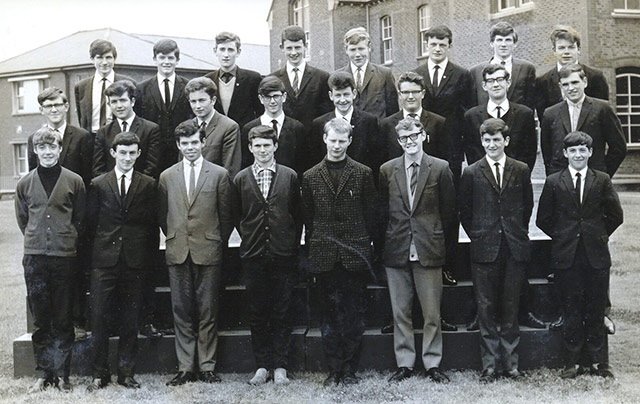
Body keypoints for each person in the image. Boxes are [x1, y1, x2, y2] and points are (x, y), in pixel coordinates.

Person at [537, 132, 623, 379]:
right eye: (572, 151)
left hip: (595, 255)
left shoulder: (602, 179)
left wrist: (596, 234)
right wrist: (565, 235)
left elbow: (616, 215)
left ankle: (596, 361)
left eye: (582, 150)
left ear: (590, 152)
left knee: (595, 308)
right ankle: (572, 361)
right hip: (567, 256)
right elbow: (544, 218)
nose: (577, 155)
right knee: (571, 308)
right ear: (565, 154)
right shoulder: (554, 181)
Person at [301, 118, 379, 386]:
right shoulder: (310, 176)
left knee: (353, 315)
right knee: (329, 315)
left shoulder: (363, 173)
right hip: (324, 256)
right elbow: (309, 220)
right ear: (324, 139)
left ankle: (349, 369)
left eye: (341, 141)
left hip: (353, 255)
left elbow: (371, 214)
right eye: (332, 140)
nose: (336, 146)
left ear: (349, 141)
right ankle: (333, 369)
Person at [379, 118, 456, 384]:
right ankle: (405, 363)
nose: (410, 142)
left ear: (424, 135)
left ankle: (432, 363)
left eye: (414, 136)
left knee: (432, 312)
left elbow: (448, 214)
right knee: (400, 311)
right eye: (404, 139)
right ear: (398, 141)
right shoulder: (388, 170)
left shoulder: (440, 168)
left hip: (429, 247)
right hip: (397, 247)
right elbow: (382, 212)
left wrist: (442, 247)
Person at [158, 120, 233, 386]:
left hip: (208, 248)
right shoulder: (167, 176)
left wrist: (214, 239)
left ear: (203, 143)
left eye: (194, 142)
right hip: (178, 250)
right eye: (185, 143)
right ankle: (186, 367)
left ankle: (207, 366)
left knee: (207, 309)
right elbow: (162, 215)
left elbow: (226, 215)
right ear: (179, 146)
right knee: (181, 310)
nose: (190, 147)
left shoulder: (219, 174)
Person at [459, 118, 533, 383]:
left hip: (513, 247)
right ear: (482, 142)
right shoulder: (471, 172)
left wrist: (514, 234)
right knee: (486, 308)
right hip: (484, 248)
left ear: (506, 141)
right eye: (487, 140)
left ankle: (511, 365)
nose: (492, 144)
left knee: (511, 307)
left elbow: (527, 207)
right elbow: (465, 212)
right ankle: (489, 365)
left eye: (497, 140)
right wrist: (480, 236)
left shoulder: (521, 169)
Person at [15, 128, 86, 392]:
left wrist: (63, 237)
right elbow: (24, 220)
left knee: (63, 317)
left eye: (51, 147)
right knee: (41, 318)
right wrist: (37, 240)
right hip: (35, 258)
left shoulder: (74, 181)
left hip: (64, 256)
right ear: (35, 151)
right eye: (41, 148)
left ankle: (62, 373)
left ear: (59, 149)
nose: (47, 152)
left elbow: (80, 218)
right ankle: (44, 373)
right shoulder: (25, 183)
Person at [85, 132, 157, 392]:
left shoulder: (148, 184)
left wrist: (145, 261)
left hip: (135, 261)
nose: (127, 158)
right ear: (113, 153)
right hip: (104, 261)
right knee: (100, 317)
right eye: (122, 152)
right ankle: (99, 373)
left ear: (139, 154)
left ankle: (126, 372)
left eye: (132, 153)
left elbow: (151, 226)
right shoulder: (98, 184)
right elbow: (90, 224)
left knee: (130, 318)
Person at [232, 125, 302, 385]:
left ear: (275, 147)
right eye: (257, 146)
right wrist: (252, 236)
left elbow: (297, 213)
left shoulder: (290, 176)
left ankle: (281, 365)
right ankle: (262, 365)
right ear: (250, 148)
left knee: (282, 310)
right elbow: (238, 216)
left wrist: (286, 241)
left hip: (283, 254)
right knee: (258, 311)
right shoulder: (240, 179)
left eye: (267, 145)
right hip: (253, 254)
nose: (262, 150)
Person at [27, 87, 93, 341]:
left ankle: (76, 322)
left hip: (73, 215)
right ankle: (52, 323)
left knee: (75, 271)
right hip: (46, 223)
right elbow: (35, 182)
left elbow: (87, 178)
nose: (54, 109)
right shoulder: (35, 137)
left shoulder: (83, 136)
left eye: (58, 104)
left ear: (66, 107)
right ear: (42, 110)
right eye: (48, 106)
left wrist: (78, 222)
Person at [413, 25, 474, 188]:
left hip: (451, 144)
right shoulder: (416, 74)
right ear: (427, 44)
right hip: (423, 142)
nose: (437, 49)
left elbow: (467, 112)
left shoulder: (462, 74)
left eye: (442, 45)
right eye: (433, 44)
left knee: (451, 192)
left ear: (449, 46)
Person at [540, 64, 626, 178]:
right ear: (560, 86)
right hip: (561, 181)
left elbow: (619, 148)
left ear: (584, 82)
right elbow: (547, 151)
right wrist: (554, 177)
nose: (571, 88)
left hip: (593, 179)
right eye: (565, 84)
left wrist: (602, 175)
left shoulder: (602, 109)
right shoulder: (550, 113)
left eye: (575, 82)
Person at [270, 25, 332, 170]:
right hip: (284, 148)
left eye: (298, 47)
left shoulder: (322, 78)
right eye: (289, 48)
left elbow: (326, 114)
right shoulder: (273, 79)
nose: (294, 52)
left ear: (305, 46)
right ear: (282, 48)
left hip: (313, 148)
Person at [134, 39, 193, 172]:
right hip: (151, 153)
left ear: (177, 60)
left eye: (171, 58)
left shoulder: (188, 87)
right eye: (162, 57)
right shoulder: (141, 89)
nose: (166, 62)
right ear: (155, 59)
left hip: (180, 151)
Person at [465, 64, 537, 172]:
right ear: (484, 86)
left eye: (500, 79)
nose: (495, 84)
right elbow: (471, 152)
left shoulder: (525, 114)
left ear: (508, 83)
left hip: (515, 178)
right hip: (483, 178)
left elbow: (530, 152)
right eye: (490, 81)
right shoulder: (472, 116)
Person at [309, 71, 381, 177]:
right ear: (331, 96)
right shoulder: (319, 124)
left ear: (354, 94)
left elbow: (375, 159)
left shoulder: (369, 121)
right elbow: (315, 159)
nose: (342, 100)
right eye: (338, 95)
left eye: (346, 94)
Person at [380, 72, 449, 172]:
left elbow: (445, 159)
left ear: (423, 94)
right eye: (406, 92)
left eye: (415, 92)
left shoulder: (438, 122)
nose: (411, 96)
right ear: (399, 94)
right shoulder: (386, 125)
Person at [535, 25, 609, 118]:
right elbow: (544, 120)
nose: (566, 52)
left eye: (571, 47)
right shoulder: (542, 82)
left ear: (578, 49)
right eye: (561, 48)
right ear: (554, 51)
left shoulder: (596, 77)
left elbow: (603, 113)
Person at [93, 80, 161, 179]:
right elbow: (98, 168)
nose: (119, 106)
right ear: (109, 105)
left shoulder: (150, 129)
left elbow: (152, 166)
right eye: (114, 102)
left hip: (141, 189)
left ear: (132, 102)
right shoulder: (103, 132)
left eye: (123, 100)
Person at [240, 76, 304, 174]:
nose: (272, 101)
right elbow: (246, 163)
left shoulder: (297, 127)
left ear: (284, 97)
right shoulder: (249, 128)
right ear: (261, 99)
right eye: (267, 97)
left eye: (276, 96)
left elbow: (301, 163)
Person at [184, 77, 242, 179]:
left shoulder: (229, 127)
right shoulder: (186, 127)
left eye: (202, 100)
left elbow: (230, 169)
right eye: (193, 101)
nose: (197, 106)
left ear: (213, 100)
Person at [469, 21, 536, 109]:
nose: (503, 44)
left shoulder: (527, 68)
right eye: (499, 40)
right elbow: (473, 105)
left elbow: (530, 102)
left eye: (508, 40)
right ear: (492, 43)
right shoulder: (476, 71)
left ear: (515, 44)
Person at [74, 39, 136, 134]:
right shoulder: (81, 86)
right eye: (99, 58)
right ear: (92, 59)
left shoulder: (128, 83)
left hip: (119, 138)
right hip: (91, 140)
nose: (104, 62)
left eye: (108, 57)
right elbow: (81, 117)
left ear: (114, 59)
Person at [205, 32, 263, 130]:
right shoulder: (207, 80)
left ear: (238, 52)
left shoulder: (253, 79)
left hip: (244, 137)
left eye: (230, 50)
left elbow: (260, 112)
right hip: (216, 138)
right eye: (222, 49)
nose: (226, 55)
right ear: (215, 51)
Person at [337, 27, 398, 120]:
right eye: (353, 50)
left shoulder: (384, 74)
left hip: (377, 132)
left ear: (369, 47)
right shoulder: (337, 76)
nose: (357, 54)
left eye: (361, 49)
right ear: (346, 50)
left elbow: (393, 112)